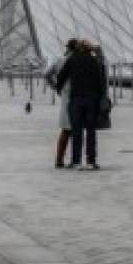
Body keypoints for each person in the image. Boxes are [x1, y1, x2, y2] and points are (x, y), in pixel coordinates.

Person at [55, 40, 107, 170]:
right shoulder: (95, 61)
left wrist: (60, 90)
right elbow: (101, 82)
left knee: (76, 131)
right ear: (90, 49)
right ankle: (91, 161)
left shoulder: (72, 60)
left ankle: (76, 161)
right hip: (91, 100)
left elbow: (61, 77)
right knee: (91, 132)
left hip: (76, 99)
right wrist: (101, 97)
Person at [46, 40, 78, 169]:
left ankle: (59, 159)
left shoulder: (59, 60)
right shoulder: (78, 60)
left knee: (65, 130)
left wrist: (56, 87)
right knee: (77, 130)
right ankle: (75, 160)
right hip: (78, 96)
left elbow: (46, 74)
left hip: (65, 96)